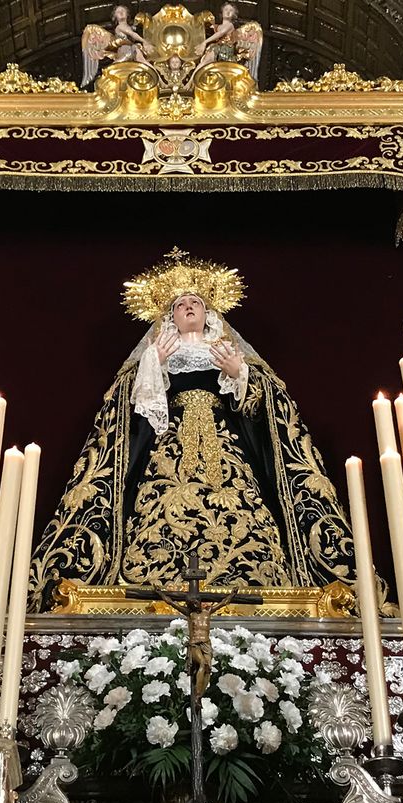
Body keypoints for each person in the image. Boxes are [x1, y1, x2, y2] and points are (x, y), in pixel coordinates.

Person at [30, 249, 362, 602]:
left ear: (209, 313)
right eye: (180, 304)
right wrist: (153, 365)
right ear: (170, 317)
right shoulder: (154, 356)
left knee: (241, 509)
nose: (189, 307)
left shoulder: (230, 353)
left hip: (226, 447)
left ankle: (253, 577)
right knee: (160, 509)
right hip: (169, 448)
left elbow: (265, 409)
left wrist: (240, 375)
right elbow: (129, 412)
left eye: (196, 303)